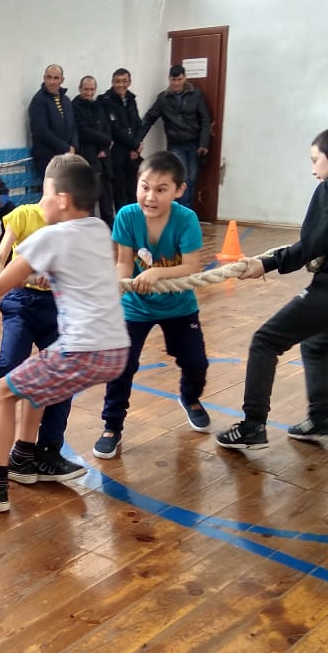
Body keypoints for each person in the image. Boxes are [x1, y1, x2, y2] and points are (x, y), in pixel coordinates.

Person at [0, 154, 129, 513]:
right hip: (115, 352)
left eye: (45, 193)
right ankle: (22, 456)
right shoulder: (98, 228)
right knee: (36, 383)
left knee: (4, 392)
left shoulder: (50, 237)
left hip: (82, 350)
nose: (40, 201)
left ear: (62, 198)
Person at [215, 124, 328, 450]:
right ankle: (321, 419)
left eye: (315, 160)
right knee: (315, 344)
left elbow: (313, 243)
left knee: (265, 340)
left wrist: (267, 263)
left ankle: (253, 426)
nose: (313, 170)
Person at [91, 151, 211, 461]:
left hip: (179, 305)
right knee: (121, 366)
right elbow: (123, 263)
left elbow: (191, 266)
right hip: (135, 306)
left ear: (179, 190)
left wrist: (157, 273)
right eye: (145, 187)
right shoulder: (127, 216)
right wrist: (116, 289)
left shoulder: (186, 219)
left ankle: (190, 398)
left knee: (196, 362)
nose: (150, 196)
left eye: (161, 189)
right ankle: (112, 426)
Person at [0, 201, 83, 480]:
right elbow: (1, 256)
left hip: (57, 306)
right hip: (22, 302)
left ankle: (48, 450)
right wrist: (0, 266)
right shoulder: (24, 215)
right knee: (10, 363)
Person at [137, 65, 211, 209]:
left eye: (179, 79)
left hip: (194, 144)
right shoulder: (163, 98)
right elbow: (150, 118)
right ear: (169, 79)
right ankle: (182, 210)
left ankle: (187, 209)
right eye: (173, 80)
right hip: (176, 145)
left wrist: (204, 144)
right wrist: (137, 139)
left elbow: (205, 119)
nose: (176, 83)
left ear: (185, 78)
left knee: (192, 177)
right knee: (182, 178)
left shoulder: (196, 94)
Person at [71, 75, 115, 227]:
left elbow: (106, 128)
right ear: (80, 89)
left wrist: (105, 148)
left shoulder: (99, 106)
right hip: (87, 160)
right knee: (88, 203)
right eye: (86, 89)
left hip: (104, 161)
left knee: (107, 203)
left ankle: (111, 235)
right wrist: (106, 140)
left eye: (91, 89)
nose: (89, 93)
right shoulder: (75, 107)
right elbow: (84, 132)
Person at [99, 67, 143, 213]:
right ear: (112, 82)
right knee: (120, 194)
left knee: (133, 193)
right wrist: (135, 145)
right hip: (117, 154)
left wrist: (136, 146)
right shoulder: (106, 101)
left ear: (129, 82)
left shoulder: (131, 99)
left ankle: (134, 222)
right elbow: (115, 130)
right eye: (117, 81)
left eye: (124, 81)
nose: (120, 85)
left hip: (133, 154)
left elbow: (138, 124)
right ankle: (123, 223)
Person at [28, 64, 78, 180]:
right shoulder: (39, 100)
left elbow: (73, 125)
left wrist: (74, 146)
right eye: (49, 77)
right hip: (47, 158)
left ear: (62, 80)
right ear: (44, 78)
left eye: (56, 78)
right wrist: (66, 148)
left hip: (66, 157)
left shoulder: (66, 100)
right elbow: (42, 131)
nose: (52, 81)